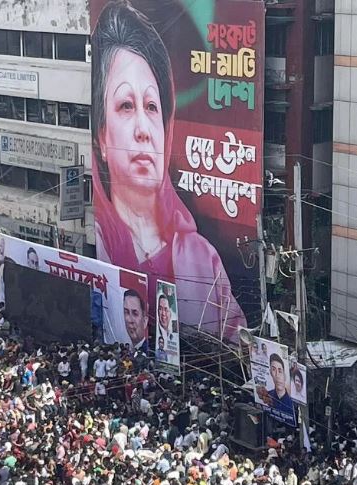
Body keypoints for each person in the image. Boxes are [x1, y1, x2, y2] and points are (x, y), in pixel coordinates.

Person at [90, 0, 247, 342]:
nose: (143, 130)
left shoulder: (201, 258)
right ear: (102, 136)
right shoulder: (98, 243)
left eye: (151, 107)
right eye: (126, 106)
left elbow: (239, 349)